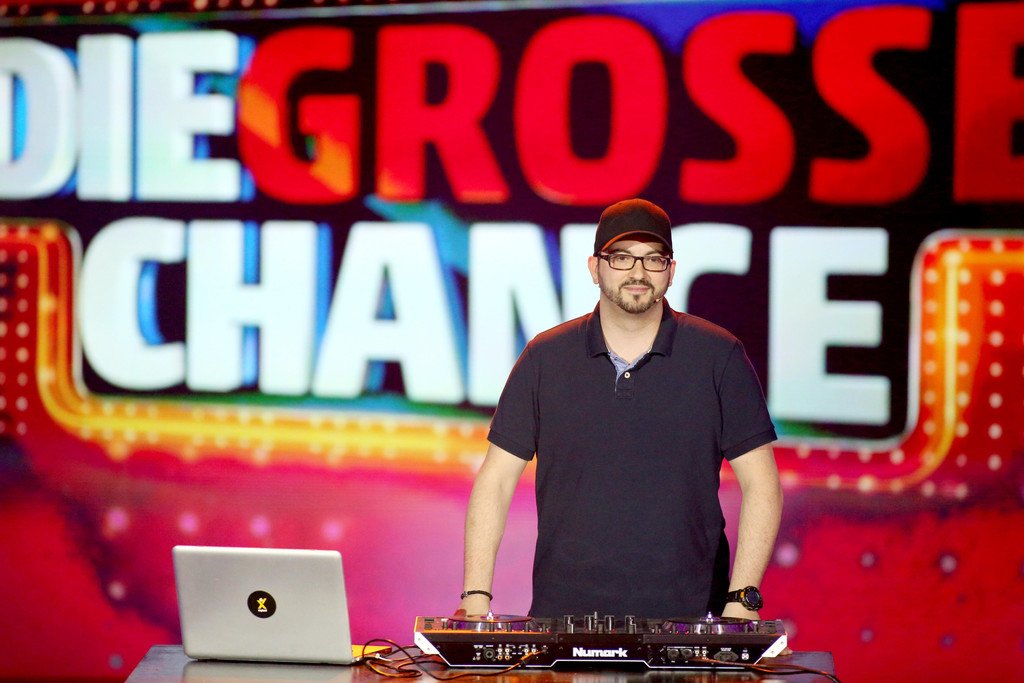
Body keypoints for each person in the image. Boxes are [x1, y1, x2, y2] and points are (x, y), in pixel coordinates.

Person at [459, 198, 782, 620]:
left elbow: (762, 484)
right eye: (622, 257)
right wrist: (476, 594)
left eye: (653, 259)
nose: (638, 272)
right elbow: (497, 481)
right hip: (564, 618)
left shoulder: (718, 356)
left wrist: (742, 600)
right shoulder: (545, 358)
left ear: (671, 271)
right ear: (595, 268)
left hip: (689, 620)